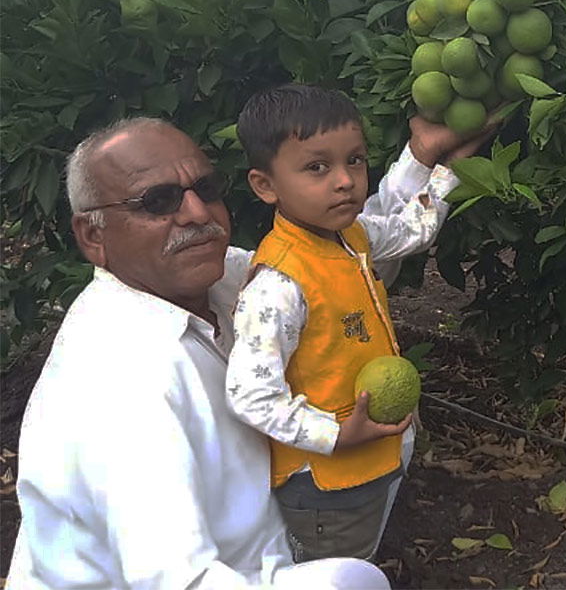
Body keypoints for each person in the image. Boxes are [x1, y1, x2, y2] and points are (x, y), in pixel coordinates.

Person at [9, 117, 393, 588]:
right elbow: (177, 581)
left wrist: (424, 160)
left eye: (205, 188)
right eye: (158, 200)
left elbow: (342, 278)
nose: (197, 212)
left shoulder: (229, 279)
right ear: (93, 237)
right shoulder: (119, 384)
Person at [226, 85, 486, 564]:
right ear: (265, 186)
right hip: (327, 485)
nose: (345, 181)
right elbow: (251, 394)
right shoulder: (279, 283)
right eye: (317, 167)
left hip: (367, 465)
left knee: (360, 553)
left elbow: (414, 230)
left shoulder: (351, 233)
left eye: (356, 160)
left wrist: (448, 168)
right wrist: (336, 435)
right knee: (333, 571)